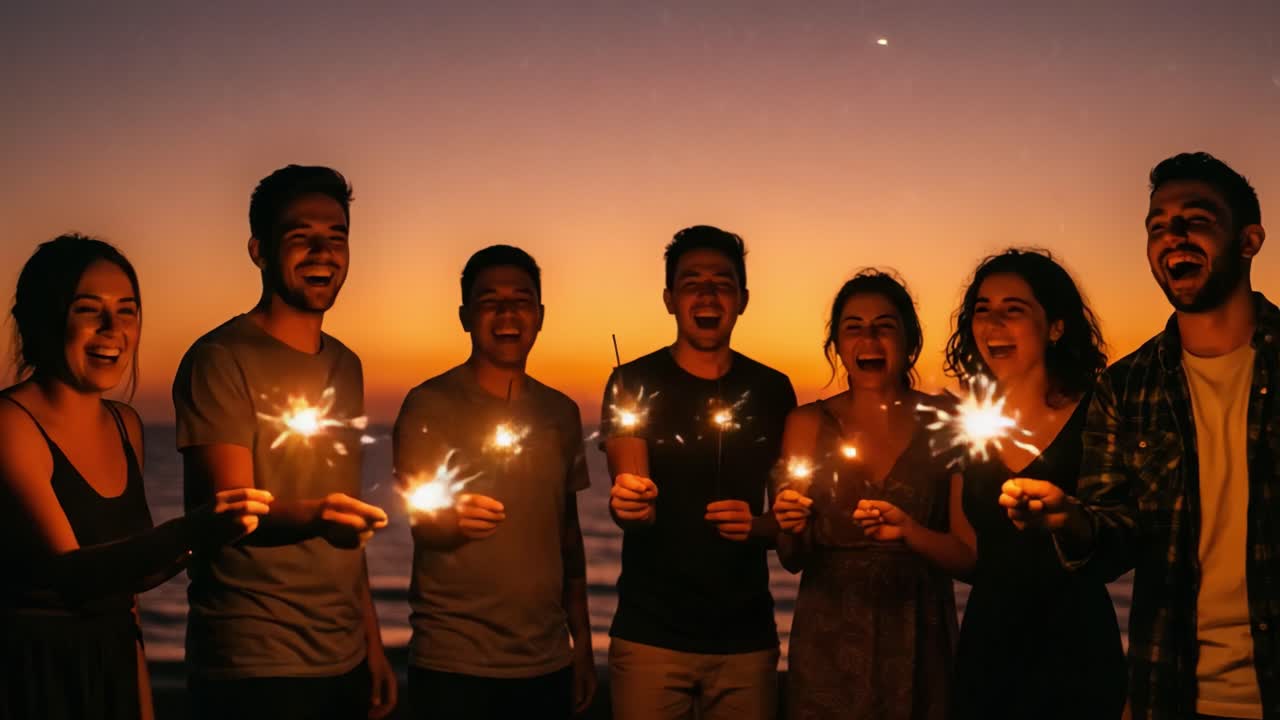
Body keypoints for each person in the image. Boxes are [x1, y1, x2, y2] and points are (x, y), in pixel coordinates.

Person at [1001, 152, 1279, 719]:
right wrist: (1069, 518)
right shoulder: (1126, 387)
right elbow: (1114, 540)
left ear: (1249, 240)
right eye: (1157, 226)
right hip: (1175, 692)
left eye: (1195, 220)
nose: (1171, 236)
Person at [0, 235, 270, 720]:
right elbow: (74, 575)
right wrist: (191, 530)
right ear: (38, 321)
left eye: (127, 311)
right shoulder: (11, 423)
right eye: (88, 310)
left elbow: (127, 588)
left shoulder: (126, 425)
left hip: (113, 664)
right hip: (30, 673)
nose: (112, 329)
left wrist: (142, 702)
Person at [173, 165, 396, 720]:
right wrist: (321, 514)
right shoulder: (220, 360)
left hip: (341, 656)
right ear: (260, 250)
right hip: (252, 662)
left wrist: (370, 642)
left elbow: (348, 523)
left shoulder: (347, 366)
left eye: (337, 237)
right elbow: (226, 512)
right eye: (301, 236)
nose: (323, 251)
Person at [602, 225, 796, 720]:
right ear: (669, 298)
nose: (707, 294)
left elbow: (792, 527)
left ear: (743, 299)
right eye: (691, 282)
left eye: (722, 282)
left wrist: (759, 526)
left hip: (746, 641)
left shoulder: (772, 389)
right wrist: (629, 506)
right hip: (651, 638)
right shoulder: (632, 381)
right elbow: (631, 502)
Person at [393, 245, 595, 718]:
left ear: (540, 315)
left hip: (545, 661)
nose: (507, 312)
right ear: (465, 315)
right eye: (489, 300)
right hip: (453, 662)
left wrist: (581, 642)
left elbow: (568, 535)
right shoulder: (428, 405)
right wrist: (448, 519)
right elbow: (419, 518)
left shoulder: (560, 412)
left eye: (521, 299)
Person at [771, 269, 975, 720]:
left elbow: (968, 556)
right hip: (829, 643)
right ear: (837, 346)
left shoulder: (948, 421)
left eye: (885, 325)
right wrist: (790, 525)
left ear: (910, 341)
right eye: (854, 327)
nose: (869, 338)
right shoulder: (806, 424)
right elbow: (791, 557)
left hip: (920, 637)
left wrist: (910, 533)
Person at [943, 249, 1124, 719]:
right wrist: (903, 530)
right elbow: (969, 557)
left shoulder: (1098, 416)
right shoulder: (967, 426)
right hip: (989, 644)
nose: (993, 323)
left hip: (1076, 645)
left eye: (1014, 309)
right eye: (982, 310)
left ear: (1057, 327)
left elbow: (1126, 537)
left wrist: (1067, 521)